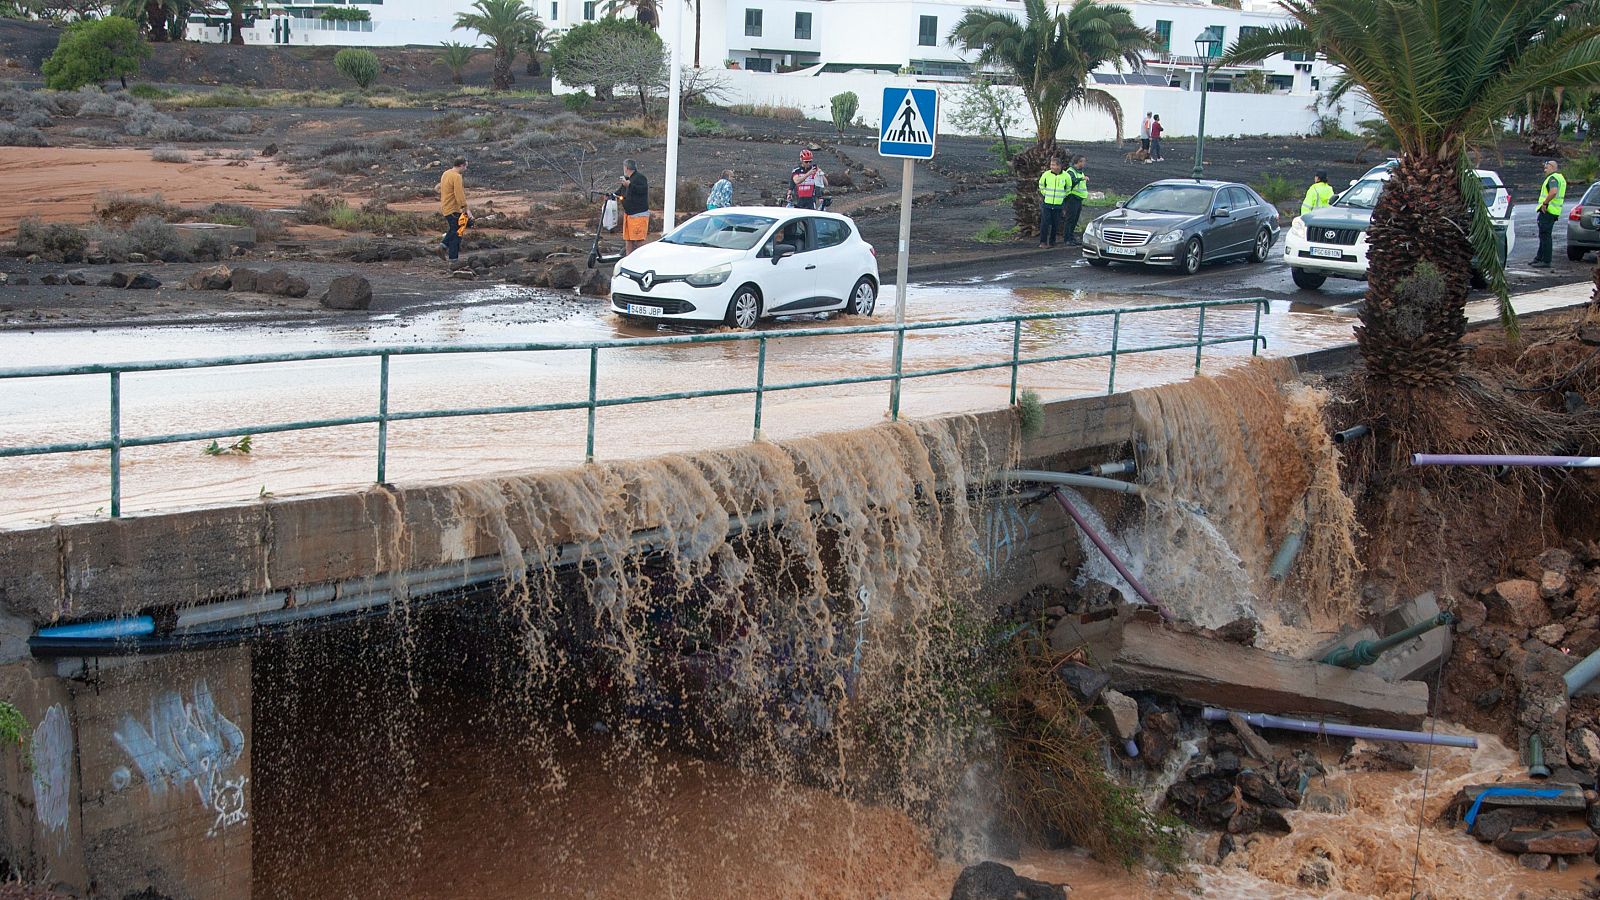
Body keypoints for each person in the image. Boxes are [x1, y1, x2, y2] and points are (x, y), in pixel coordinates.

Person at [1532, 159, 1566, 268]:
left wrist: (1545, 203)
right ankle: (1539, 258)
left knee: (1545, 236)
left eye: (1546, 167)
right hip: (1552, 212)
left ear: (1552, 167)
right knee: (1543, 235)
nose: (1544, 170)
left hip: (1548, 211)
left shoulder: (1553, 178)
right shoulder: (1560, 178)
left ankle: (1546, 260)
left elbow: (1554, 191)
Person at [438, 157, 471, 263]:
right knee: (457, 233)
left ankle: (443, 248)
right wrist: (465, 209)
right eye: (465, 166)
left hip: (446, 207)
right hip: (453, 209)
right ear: (461, 165)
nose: (466, 169)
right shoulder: (457, 177)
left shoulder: (446, 173)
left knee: (454, 230)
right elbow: (459, 194)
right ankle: (452, 258)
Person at [615, 158, 650, 255]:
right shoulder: (628, 179)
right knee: (628, 239)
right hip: (629, 215)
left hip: (638, 215)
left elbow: (642, 190)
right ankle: (628, 260)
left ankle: (643, 259)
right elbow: (620, 191)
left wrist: (629, 185)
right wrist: (610, 195)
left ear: (626, 168)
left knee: (639, 240)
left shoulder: (640, 177)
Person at [1037, 156, 1070, 248]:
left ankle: (1052, 242)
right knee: (1045, 223)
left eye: (1053, 165)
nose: (1051, 166)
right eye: (1051, 164)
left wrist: (1063, 195)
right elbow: (1041, 184)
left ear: (1059, 166)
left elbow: (1068, 187)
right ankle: (1043, 242)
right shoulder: (1046, 174)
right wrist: (1045, 193)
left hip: (1058, 204)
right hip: (1047, 203)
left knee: (1056, 224)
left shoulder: (1066, 176)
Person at [1062, 156, 1089, 245]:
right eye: (1083, 161)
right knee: (1070, 219)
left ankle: (1071, 237)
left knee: (1075, 219)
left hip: (1078, 199)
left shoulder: (1080, 172)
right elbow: (1072, 181)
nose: (1084, 163)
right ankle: (1067, 239)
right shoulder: (1071, 171)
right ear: (1078, 162)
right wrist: (1082, 179)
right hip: (1072, 198)